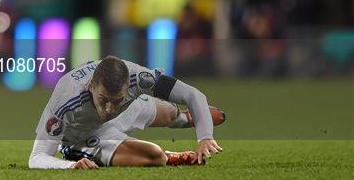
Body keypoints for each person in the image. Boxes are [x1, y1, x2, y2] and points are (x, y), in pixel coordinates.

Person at [29, 55, 225, 169]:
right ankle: (168, 155)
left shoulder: (138, 78)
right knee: (154, 156)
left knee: (170, 113)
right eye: (103, 100)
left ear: (127, 86)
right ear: (91, 86)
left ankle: (183, 118)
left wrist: (205, 137)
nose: (108, 109)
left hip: (127, 109)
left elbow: (193, 94)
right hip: (83, 135)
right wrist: (70, 165)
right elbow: (36, 158)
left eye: (116, 100)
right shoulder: (66, 100)